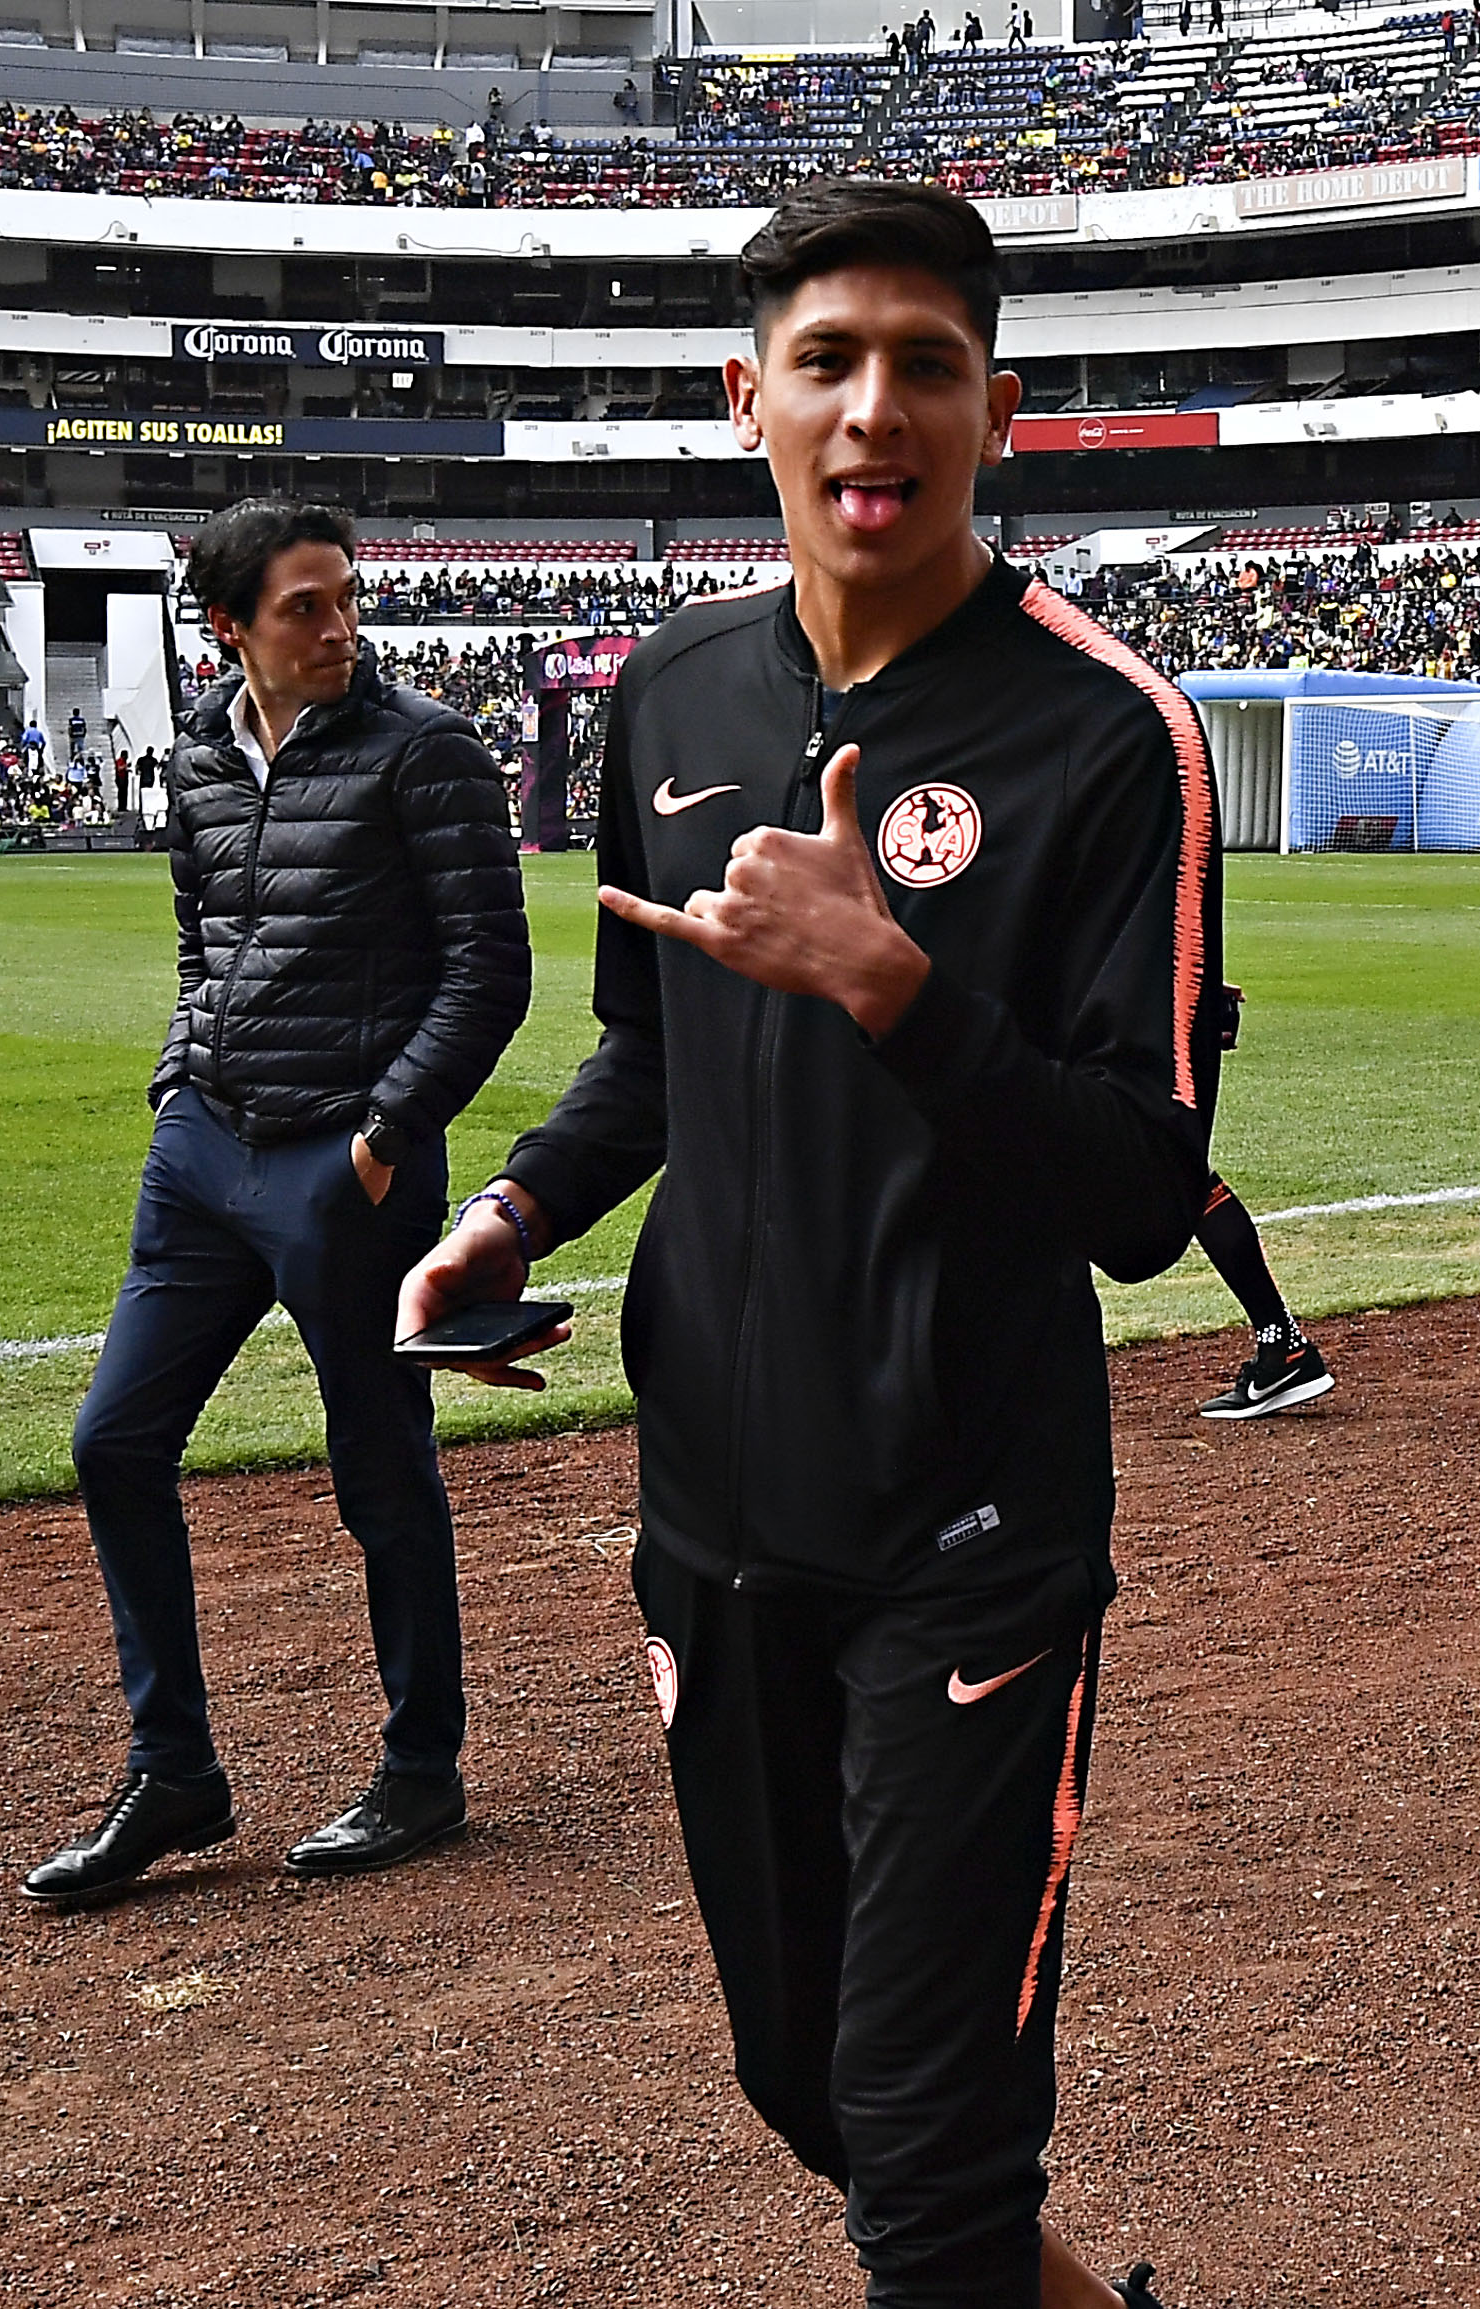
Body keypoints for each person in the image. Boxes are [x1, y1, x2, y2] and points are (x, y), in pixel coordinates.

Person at [393, 179, 1205, 2309]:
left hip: (973, 1519)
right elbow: (646, 1050)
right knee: (807, 2074)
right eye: (829, 363)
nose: (877, 408)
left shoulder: (1106, 731)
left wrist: (900, 987)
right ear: (746, 397)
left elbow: (1142, 1187)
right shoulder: (665, 698)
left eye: (926, 365)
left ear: (997, 408)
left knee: (929, 2149)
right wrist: (514, 1209)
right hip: (716, 1513)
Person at [21, 498, 530, 1909]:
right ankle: (173, 1770)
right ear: (229, 625)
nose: (338, 628)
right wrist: (185, 1075)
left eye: (348, 598)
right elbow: (204, 931)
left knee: (378, 1466)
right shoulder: (192, 751)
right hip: (204, 1155)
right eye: (304, 607)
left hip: (342, 1165)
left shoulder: (424, 748)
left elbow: (489, 971)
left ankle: (422, 1768)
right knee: (115, 1442)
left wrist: (382, 1134)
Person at [1191, 986, 1333, 1419]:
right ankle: (1282, 1346)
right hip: (1154, 1012)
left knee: (1180, 1175)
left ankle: (1284, 1348)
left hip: (1129, 1022)